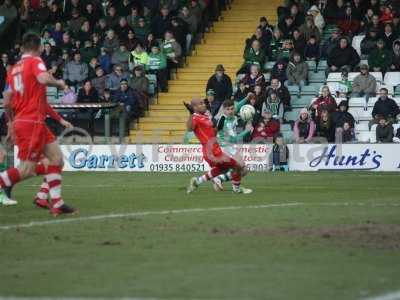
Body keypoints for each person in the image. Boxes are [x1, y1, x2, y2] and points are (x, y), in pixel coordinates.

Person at [1, 33, 75, 215]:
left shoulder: (13, 69)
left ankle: (56, 203)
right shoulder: (35, 61)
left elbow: (7, 100)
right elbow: (43, 78)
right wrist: (59, 83)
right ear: (38, 47)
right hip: (31, 121)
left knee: (56, 159)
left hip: (28, 121)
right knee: (27, 169)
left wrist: (11, 122)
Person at [185, 98, 252, 194]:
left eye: (203, 103)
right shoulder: (195, 117)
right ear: (194, 107)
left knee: (223, 169)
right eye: (201, 104)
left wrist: (217, 129)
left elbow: (212, 133)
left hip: (215, 149)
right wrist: (191, 113)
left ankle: (197, 181)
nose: (204, 105)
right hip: (212, 150)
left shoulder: (205, 117)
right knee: (238, 167)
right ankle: (236, 189)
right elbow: (189, 128)